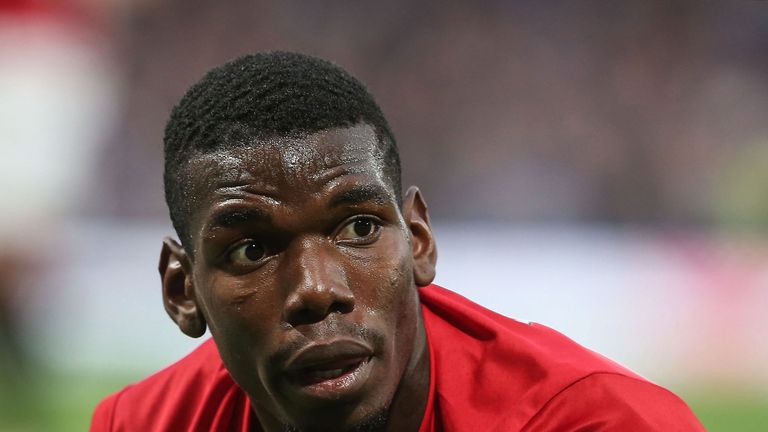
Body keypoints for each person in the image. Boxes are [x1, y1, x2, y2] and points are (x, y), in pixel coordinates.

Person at [90, 51, 704, 432]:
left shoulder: (596, 424)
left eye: (359, 228)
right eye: (252, 250)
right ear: (182, 289)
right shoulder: (143, 424)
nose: (317, 291)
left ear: (418, 240)